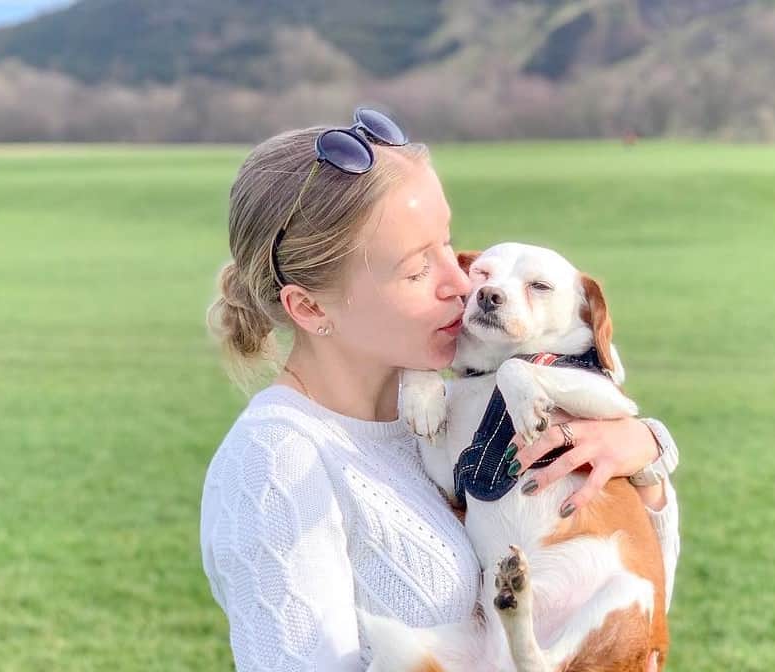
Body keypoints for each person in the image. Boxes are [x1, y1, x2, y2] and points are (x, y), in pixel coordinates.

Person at [199, 109, 681, 671]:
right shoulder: (275, 464)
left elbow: (640, 623)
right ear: (309, 307)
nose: (461, 281)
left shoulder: (440, 412)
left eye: (447, 245)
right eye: (415, 270)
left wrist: (645, 462)